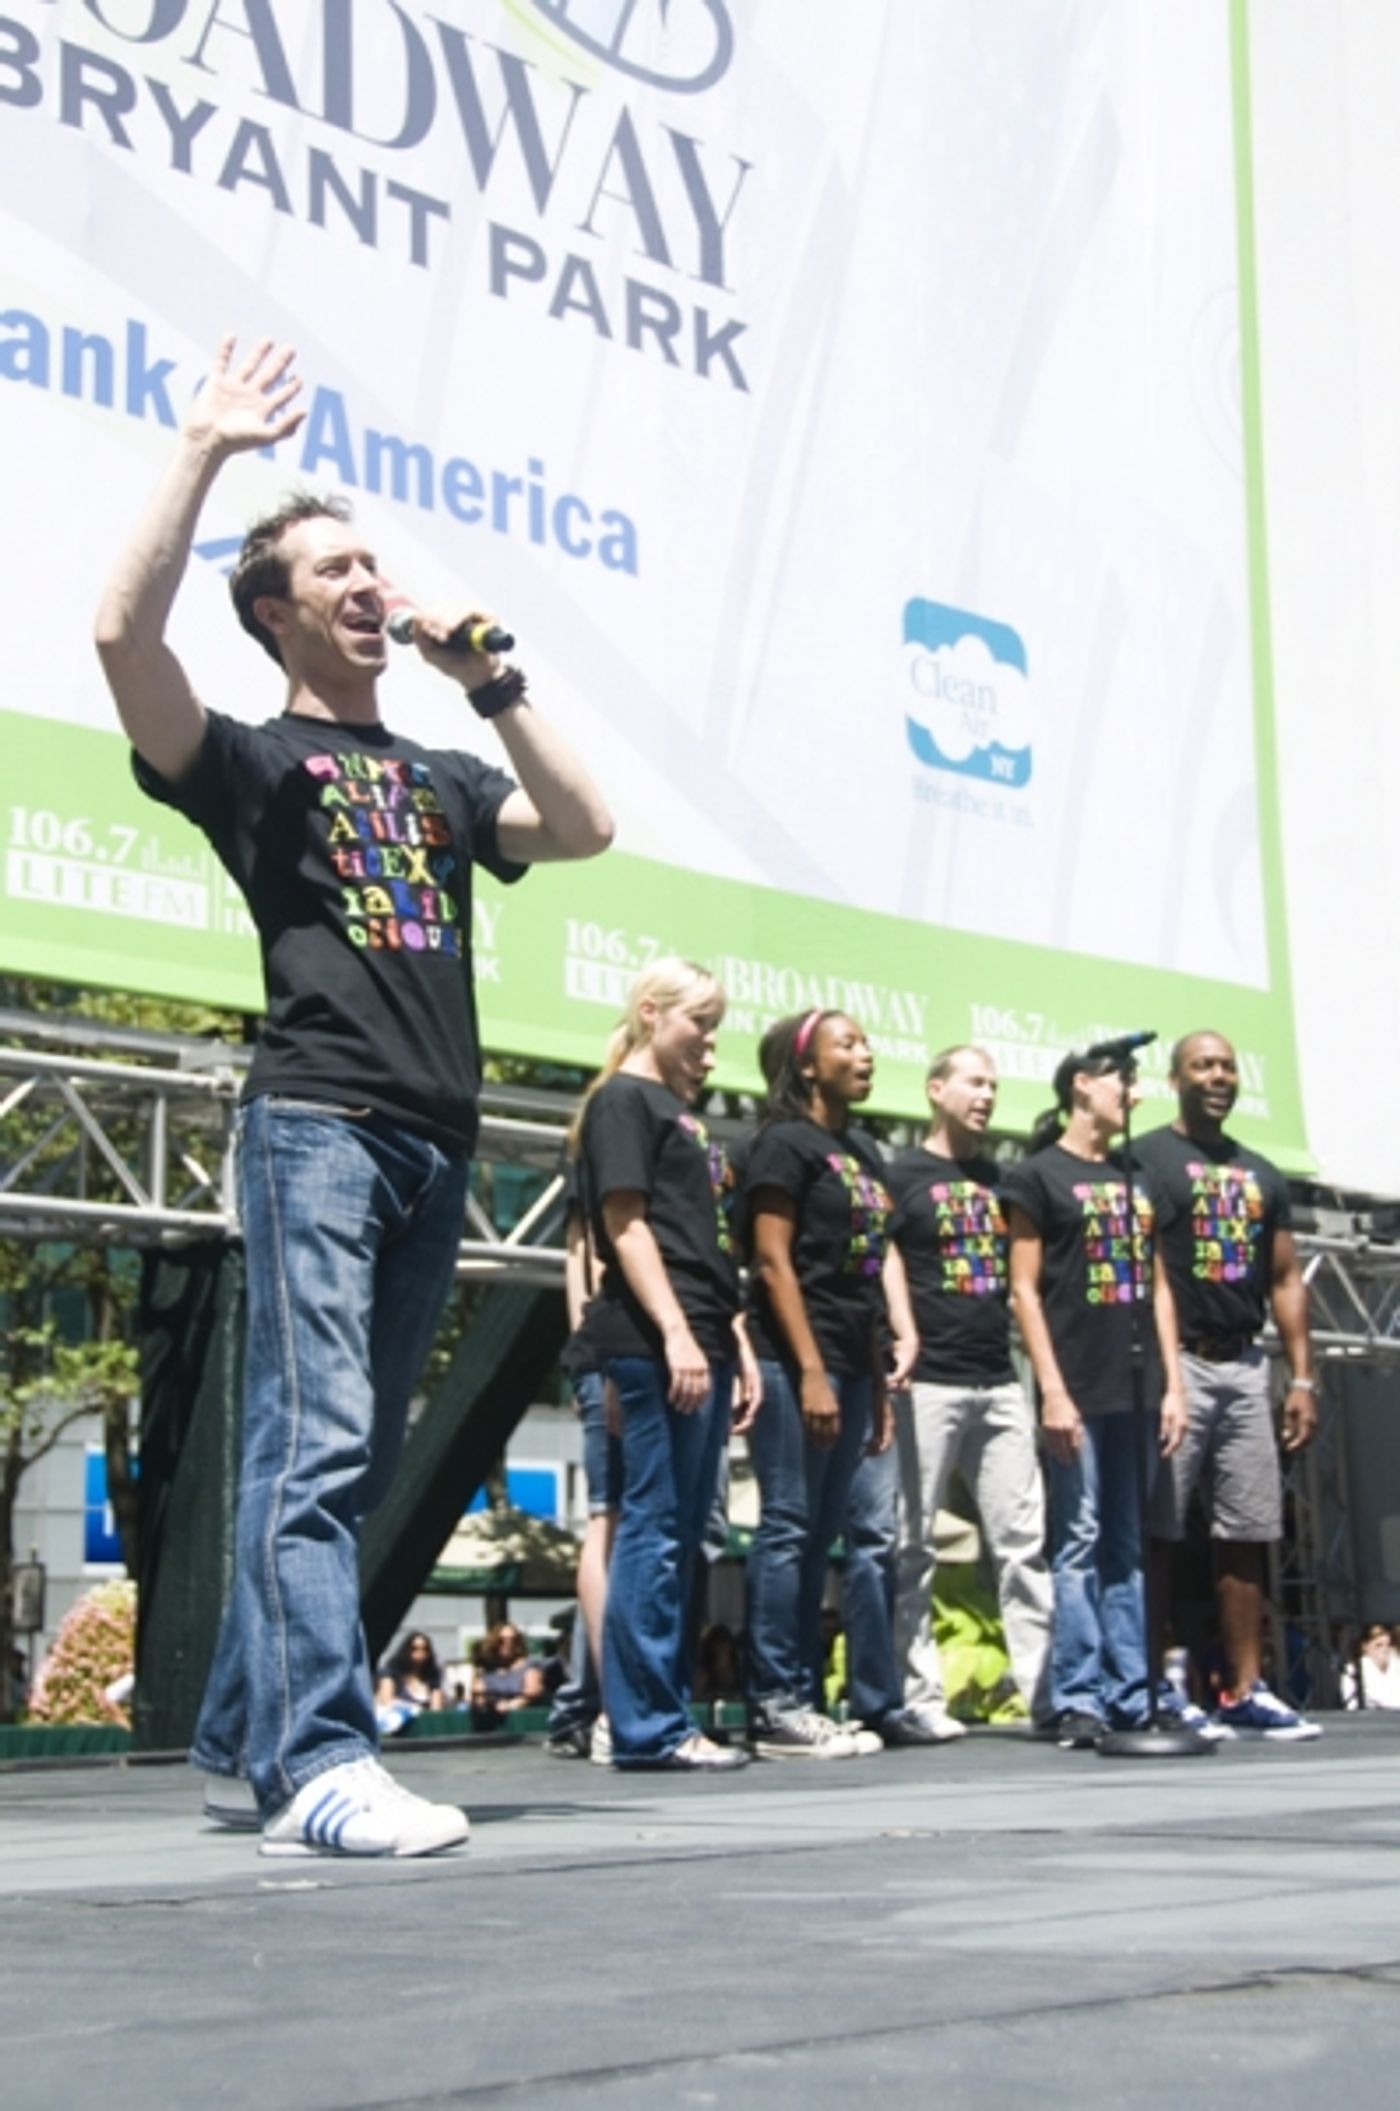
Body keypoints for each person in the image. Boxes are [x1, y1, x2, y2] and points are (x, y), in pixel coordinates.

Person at [94, 336, 613, 1857]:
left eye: (373, 563)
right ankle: (316, 1761)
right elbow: (120, 635)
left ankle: (241, 1734)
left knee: (353, 1453)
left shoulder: (443, 774)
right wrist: (202, 451)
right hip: (318, 1127)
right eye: (334, 567)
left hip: (433, 1141)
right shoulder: (250, 762)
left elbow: (584, 823)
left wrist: (492, 676)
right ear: (276, 612)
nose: (369, 582)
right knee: (313, 1442)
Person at [578, 959, 760, 1770]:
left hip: (701, 1333)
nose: (710, 1044)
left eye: (716, 1028)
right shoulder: (623, 1099)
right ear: (651, 1012)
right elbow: (626, 1224)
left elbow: (704, 1240)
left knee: (683, 1531)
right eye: (699, 1024)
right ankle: (646, 1726)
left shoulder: (680, 1113)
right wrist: (677, 1332)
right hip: (653, 1339)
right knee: (651, 1527)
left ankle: (662, 1715)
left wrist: (733, 1340)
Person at [1137, 1031, 1321, 1741]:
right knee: (1161, 1528)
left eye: (1227, 1066)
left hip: (1245, 1364)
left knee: (1247, 1530)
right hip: (1178, 1363)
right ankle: (1154, 1684)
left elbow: (1286, 1278)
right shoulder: (1146, 1158)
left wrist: (1301, 1377)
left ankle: (1246, 1688)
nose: (1217, 1076)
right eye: (1203, 1066)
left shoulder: (1261, 1172)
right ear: (1175, 1079)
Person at [1005, 1050, 1187, 1745]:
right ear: (1081, 1085)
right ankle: (1078, 1694)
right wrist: (1052, 1389)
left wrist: (1174, 1384)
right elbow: (1024, 1290)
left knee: (1127, 1540)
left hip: (1137, 1382)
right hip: (1077, 1381)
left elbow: (1160, 1286)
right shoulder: (1037, 1175)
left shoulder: (1138, 1176)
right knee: (1078, 1538)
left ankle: (1131, 1689)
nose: (1132, 1094)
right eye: (1122, 1080)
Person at [873, 1044, 1053, 1735]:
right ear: (935, 1089)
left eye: (993, 1085)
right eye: (974, 1082)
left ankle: (1045, 1693)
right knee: (912, 1544)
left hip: (999, 1378)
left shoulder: (1004, 1181)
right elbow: (881, 1262)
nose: (986, 1095)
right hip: (927, 1382)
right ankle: (917, 1697)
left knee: (1023, 1542)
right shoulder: (900, 1174)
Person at [743, 1009, 910, 1757]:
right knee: (787, 1524)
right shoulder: (783, 1143)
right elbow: (772, 1262)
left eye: (867, 1042)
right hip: (791, 1361)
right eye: (849, 1044)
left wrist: (874, 1380)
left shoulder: (863, 1151)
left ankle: (805, 1699)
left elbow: (865, 1273)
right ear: (807, 1064)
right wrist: (809, 1371)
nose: (866, 1054)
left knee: (822, 1535)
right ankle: (773, 1701)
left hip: (850, 1359)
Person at [544, 1167, 621, 1764]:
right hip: (617, 1354)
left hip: (645, 1354)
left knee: (635, 1526)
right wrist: (594, 1355)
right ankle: (607, 1704)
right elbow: (585, 1260)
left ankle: (590, 1701)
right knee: (610, 1520)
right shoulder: (609, 1135)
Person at [470, 1623, 545, 1730]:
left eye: (513, 1640)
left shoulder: (529, 1666)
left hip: (524, 1725)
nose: (508, 1644)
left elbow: (533, 1692)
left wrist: (511, 1705)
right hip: (490, 1726)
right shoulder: (486, 1670)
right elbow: (478, 1696)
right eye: (502, 1640)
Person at [375, 1631, 446, 1735]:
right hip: (395, 1730)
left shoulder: (432, 1678)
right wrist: (411, 1709)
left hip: (422, 1731)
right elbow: (386, 1702)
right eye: (414, 1649)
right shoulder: (391, 1673)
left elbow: (436, 1711)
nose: (420, 1653)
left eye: (424, 1649)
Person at [1341, 1624, 1400, 1710]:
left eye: (1388, 1645)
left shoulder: (1396, 1663)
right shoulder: (1353, 1669)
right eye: (1378, 1645)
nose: (1385, 1649)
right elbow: (1352, 1705)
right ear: (1365, 1646)